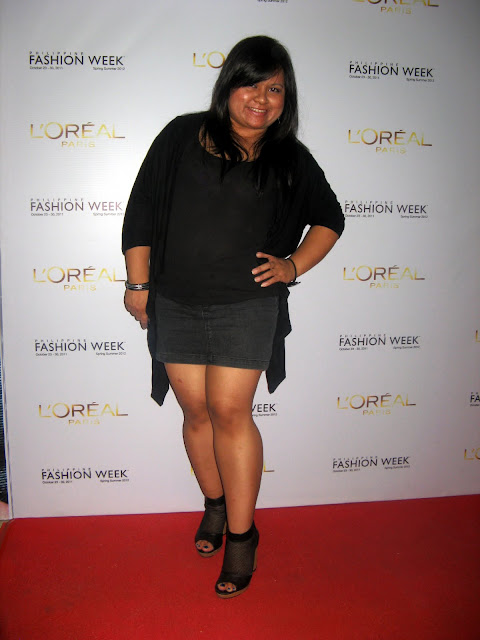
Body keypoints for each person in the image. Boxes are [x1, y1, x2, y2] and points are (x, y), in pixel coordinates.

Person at [122, 35, 344, 598]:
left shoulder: (289, 156)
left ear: (286, 99)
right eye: (252, 84)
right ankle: (215, 506)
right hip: (175, 299)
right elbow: (142, 207)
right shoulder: (180, 134)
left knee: (229, 409)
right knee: (195, 410)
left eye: (275, 89)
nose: (261, 99)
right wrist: (138, 282)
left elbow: (330, 218)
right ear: (229, 86)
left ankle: (242, 537)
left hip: (247, 304)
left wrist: (292, 266)